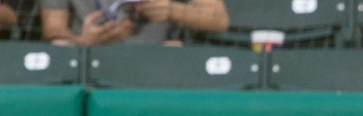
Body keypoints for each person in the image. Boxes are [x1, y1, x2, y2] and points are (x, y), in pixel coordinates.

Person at [39, 0, 228, 46]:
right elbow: (54, 30)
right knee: (61, 45)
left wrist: (173, 10)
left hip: (153, 56)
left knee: (175, 49)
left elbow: (219, 20)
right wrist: (83, 42)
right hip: (88, 55)